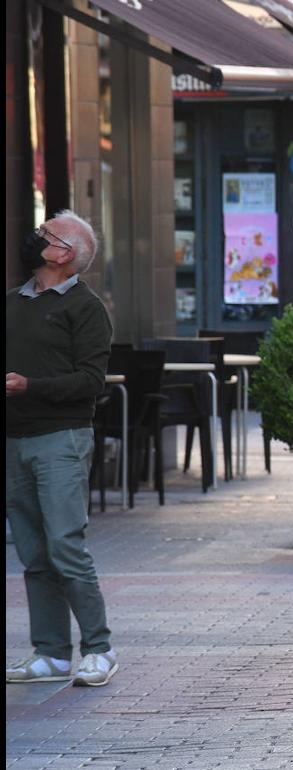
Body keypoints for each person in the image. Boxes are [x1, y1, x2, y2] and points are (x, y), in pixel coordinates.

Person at [5, 210, 118, 687]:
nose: (34, 238)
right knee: (33, 552)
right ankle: (50, 653)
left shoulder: (85, 308)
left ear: (64, 253)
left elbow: (90, 382)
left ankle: (99, 649)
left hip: (61, 439)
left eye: (43, 233)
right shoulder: (13, 302)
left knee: (65, 546)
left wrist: (30, 386)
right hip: (16, 440)